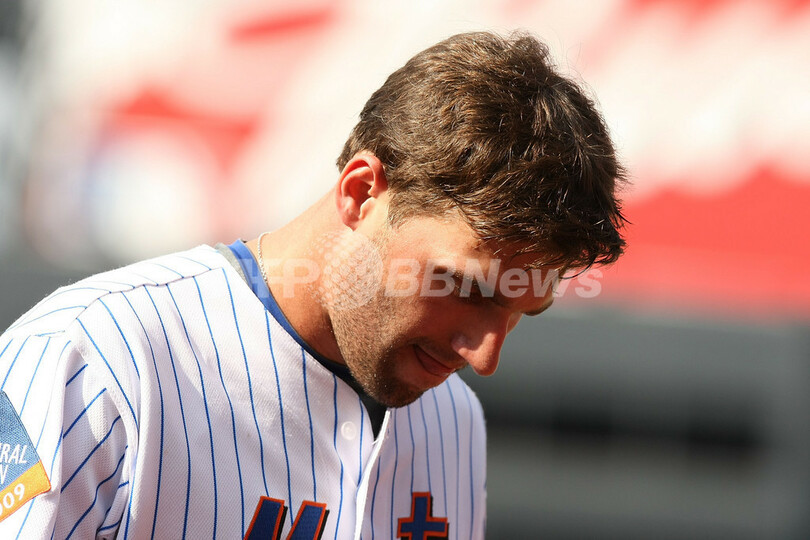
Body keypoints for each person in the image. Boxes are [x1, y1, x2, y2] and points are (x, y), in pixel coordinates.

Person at [0, 31, 626, 539]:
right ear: (362, 192)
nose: (486, 357)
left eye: (521, 309)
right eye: (468, 287)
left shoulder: (453, 421)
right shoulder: (90, 354)